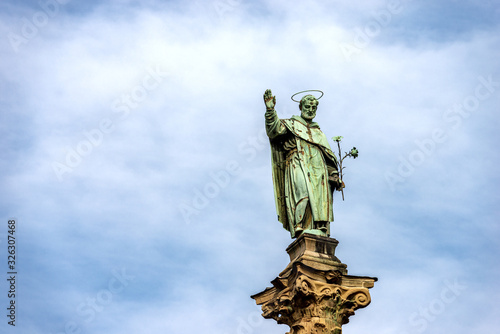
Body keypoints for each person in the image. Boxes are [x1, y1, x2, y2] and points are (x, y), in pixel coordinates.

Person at [264, 89, 344, 238]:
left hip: (318, 168)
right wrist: (270, 110)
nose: (310, 110)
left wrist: (334, 174)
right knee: (303, 192)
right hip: (297, 162)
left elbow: (328, 156)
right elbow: (273, 129)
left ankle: (319, 227)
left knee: (319, 198)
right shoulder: (291, 124)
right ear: (301, 107)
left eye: (314, 108)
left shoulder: (318, 132)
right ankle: (299, 224)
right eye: (307, 107)